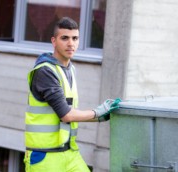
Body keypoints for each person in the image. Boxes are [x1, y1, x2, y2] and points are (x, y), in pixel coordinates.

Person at [24, 17, 120, 172]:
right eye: (65, 38)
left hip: (69, 153)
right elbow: (66, 115)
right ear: (54, 41)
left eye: (75, 38)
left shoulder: (70, 69)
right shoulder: (45, 71)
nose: (71, 43)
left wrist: (101, 116)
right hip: (46, 158)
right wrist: (97, 112)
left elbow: (72, 115)